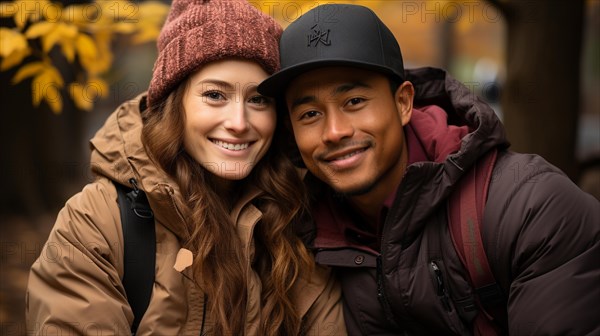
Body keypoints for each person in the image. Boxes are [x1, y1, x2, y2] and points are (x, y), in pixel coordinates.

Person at [258, 4, 600, 336]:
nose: (334, 132)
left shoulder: (530, 208)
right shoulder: (298, 235)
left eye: (355, 102)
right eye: (310, 115)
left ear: (403, 103)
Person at [26, 0, 345, 335]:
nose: (238, 123)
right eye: (215, 95)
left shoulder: (298, 218)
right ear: (173, 105)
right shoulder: (97, 221)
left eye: (257, 100)